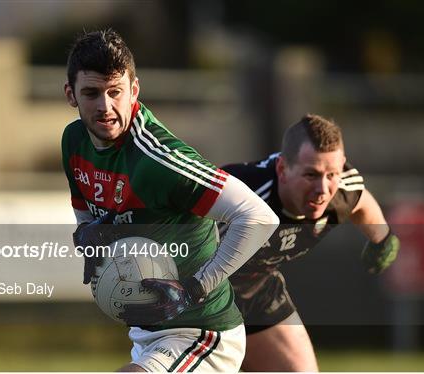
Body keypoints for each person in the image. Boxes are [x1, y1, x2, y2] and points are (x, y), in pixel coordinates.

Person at [60, 29, 279, 372]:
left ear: (134, 90)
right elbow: (83, 205)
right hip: (147, 332)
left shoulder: (157, 160)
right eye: (92, 93)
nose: (105, 106)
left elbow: (258, 216)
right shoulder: (74, 140)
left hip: (202, 331)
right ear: (70, 95)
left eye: (115, 92)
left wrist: (194, 289)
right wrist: (87, 234)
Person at [221, 114, 400, 372]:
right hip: (203, 299)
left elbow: (361, 202)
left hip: (258, 293)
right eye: (311, 175)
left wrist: (381, 239)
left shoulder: (342, 189)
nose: (323, 189)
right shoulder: (240, 194)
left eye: (332, 174)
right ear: (282, 170)